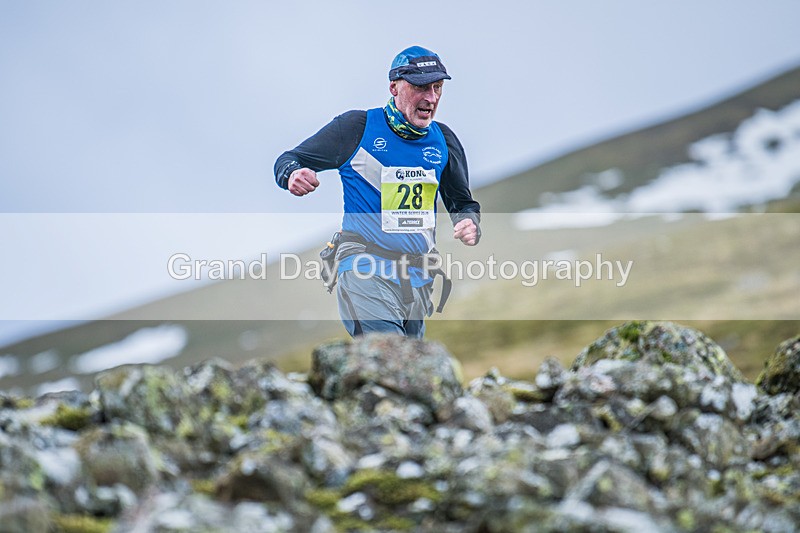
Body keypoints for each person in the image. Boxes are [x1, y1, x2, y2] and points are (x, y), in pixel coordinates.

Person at [274, 45, 481, 338]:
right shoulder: (356, 128)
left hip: (417, 280)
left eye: (437, 87)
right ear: (394, 87)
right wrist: (293, 174)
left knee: (409, 375)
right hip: (364, 271)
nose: (431, 98)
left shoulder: (443, 141)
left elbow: (463, 202)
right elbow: (287, 159)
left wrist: (469, 222)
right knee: (390, 359)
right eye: (421, 87)